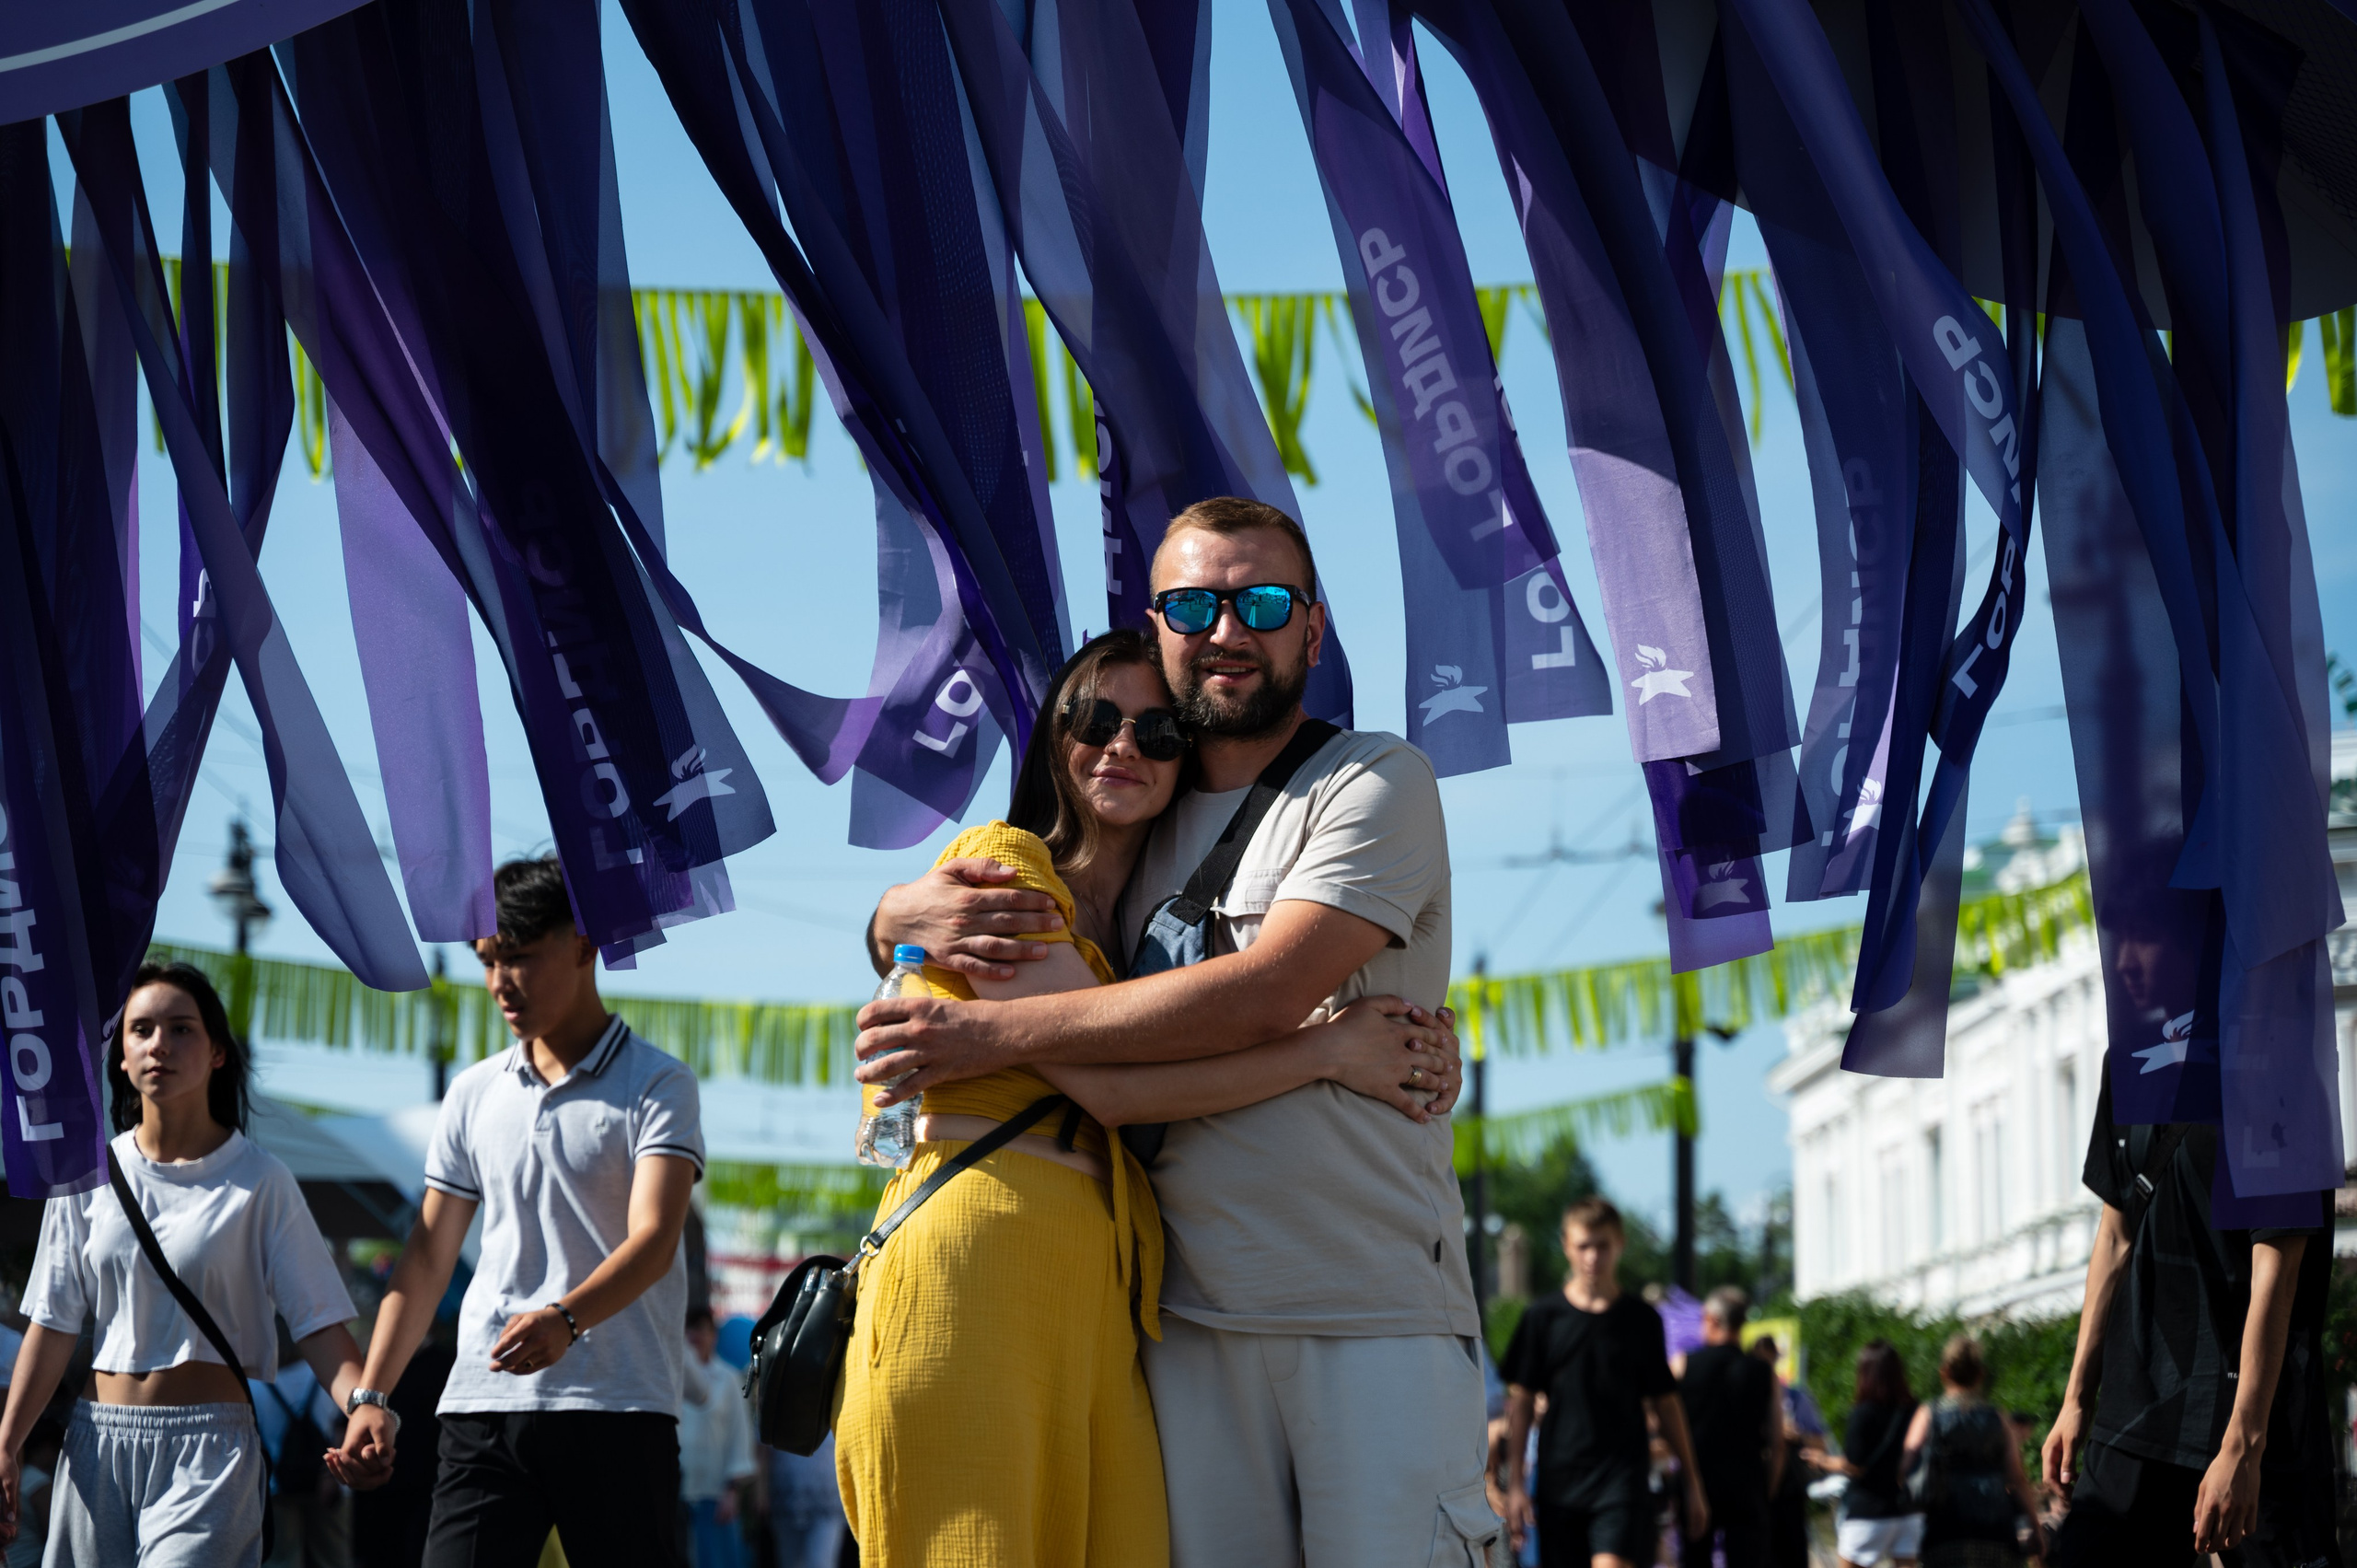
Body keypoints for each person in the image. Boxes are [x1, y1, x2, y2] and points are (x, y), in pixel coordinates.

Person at [860, 496, 1500, 1564]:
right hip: (1180, 1323)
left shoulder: (1373, 781)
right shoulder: (1134, 826)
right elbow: (1084, 1041)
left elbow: (1262, 989)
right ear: (1157, 623)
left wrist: (980, 1040)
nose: (1225, 630)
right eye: (1193, 603)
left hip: (1367, 1305)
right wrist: (885, 919)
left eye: (1259, 600)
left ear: (1312, 627)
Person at [352, 856, 705, 1568]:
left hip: (619, 1403)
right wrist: (372, 1394)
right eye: (488, 961)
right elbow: (425, 1256)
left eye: (518, 956)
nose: (499, 983)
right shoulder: (474, 1092)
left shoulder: (659, 1083)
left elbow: (656, 1237)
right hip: (482, 1403)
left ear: (583, 946)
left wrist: (568, 1318)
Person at [0, 962, 393, 1564]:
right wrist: (6, 1444)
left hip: (209, 1454)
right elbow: (52, 1325)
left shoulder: (260, 1180)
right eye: (142, 1029)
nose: (160, 1043)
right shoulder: (87, 1178)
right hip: (95, 1446)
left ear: (216, 1052)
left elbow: (318, 1322)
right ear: (122, 1057)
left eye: (181, 1028)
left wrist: (365, 1403)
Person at [2041, 1073, 2335, 1566]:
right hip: (2138, 1406)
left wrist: (2243, 1445)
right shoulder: (2130, 1056)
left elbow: (2277, 1273)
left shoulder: (2275, 1057)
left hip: (2257, 1416)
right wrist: (2075, 1400)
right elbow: (2115, 1236)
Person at [1499, 1198, 1708, 1568]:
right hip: (1559, 1479)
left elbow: (1667, 1402)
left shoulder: (1642, 1320)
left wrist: (1691, 1480)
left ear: (1620, 1245)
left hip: (1622, 1479)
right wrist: (1515, 1483)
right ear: (1566, 1246)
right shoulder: (1542, 1318)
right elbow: (1522, 1400)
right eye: (1584, 1246)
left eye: (1602, 1246)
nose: (1593, 1257)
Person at [1905, 1335, 2041, 1568]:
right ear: (1980, 1375)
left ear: (1944, 1372)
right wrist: (2035, 1526)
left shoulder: (1929, 1414)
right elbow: (2017, 1476)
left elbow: (1907, 1462)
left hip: (1944, 1526)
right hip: (1996, 1526)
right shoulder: (1998, 1417)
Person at [1676, 1287, 1781, 1568]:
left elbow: (1662, 1418)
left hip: (1697, 1482)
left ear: (1710, 1319)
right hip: (1747, 1483)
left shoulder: (1684, 1364)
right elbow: (1778, 1442)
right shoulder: (1764, 1371)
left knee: (1694, 1560)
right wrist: (1766, 1491)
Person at [254, 1348, 354, 1567]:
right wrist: (332, 1477)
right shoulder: (326, 1376)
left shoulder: (257, 1382)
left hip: (278, 1486)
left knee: (282, 1558)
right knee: (332, 1555)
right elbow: (343, 1427)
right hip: (329, 1479)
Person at [1830, 1340, 1922, 1568]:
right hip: (1907, 1510)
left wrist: (1823, 1460)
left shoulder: (1863, 1413)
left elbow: (1855, 1464)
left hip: (1869, 1510)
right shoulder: (1914, 1409)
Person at [679, 1307, 754, 1568]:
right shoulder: (671, 1377)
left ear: (714, 1335)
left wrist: (732, 1490)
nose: (694, 1336)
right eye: (689, 1328)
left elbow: (739, 1436)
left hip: (714, 1493)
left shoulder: (728, 1379)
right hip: (678, 1493)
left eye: (701, 1328)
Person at [1748, 1334, 1822, 1568]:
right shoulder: (1744, 1398)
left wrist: (1797, 1435)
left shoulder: (1797, 1397)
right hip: (1754, 1488)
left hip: (1789, 1490)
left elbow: (1820, 1443)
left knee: (1792, 1553)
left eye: (1770, 1361)